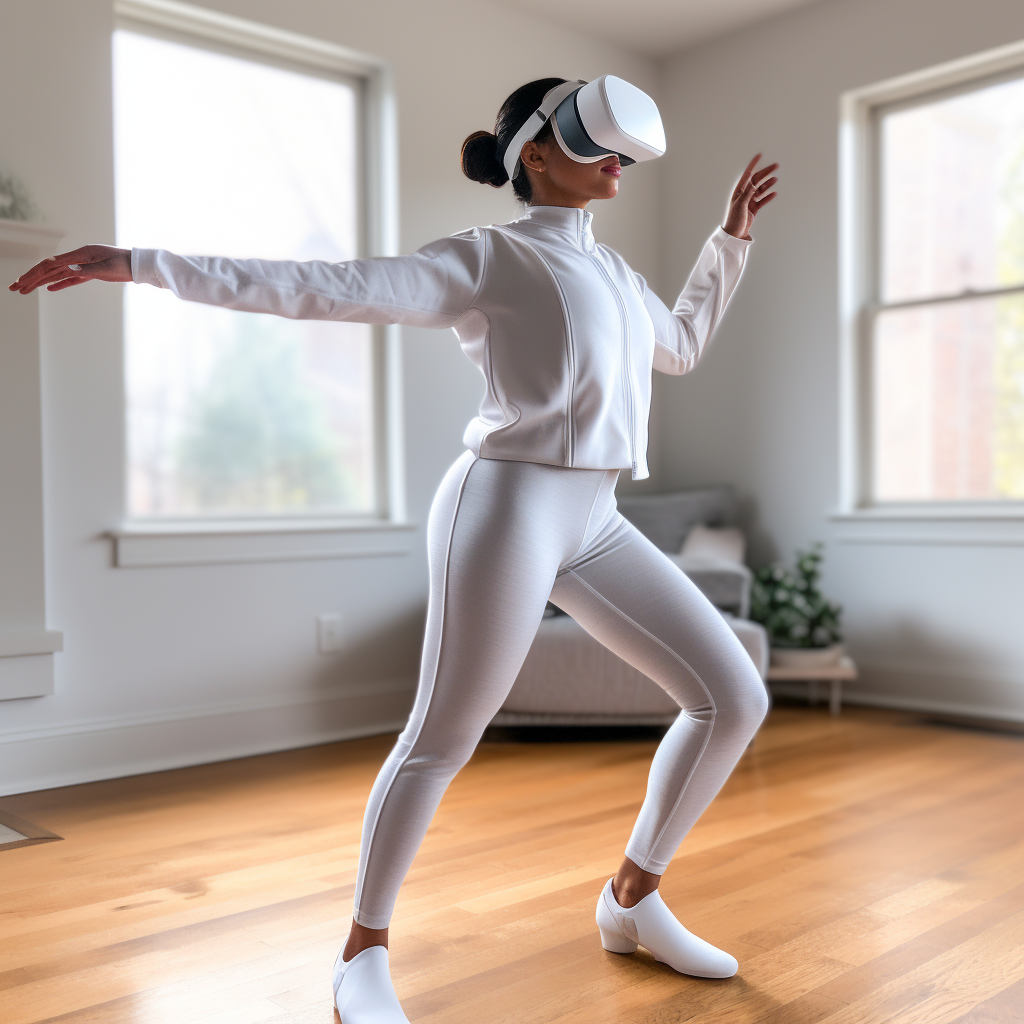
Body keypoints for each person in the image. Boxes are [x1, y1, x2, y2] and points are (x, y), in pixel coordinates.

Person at [11, 76, 777, 1024]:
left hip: (598, 517)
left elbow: (686, 344)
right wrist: (145, 261)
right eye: (592, 142)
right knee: (441, 738)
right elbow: (325, 289)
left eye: (619, 148)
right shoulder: (488, 259)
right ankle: (360, 955)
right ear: (535, 154)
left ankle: (631, 900)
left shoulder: (617, 277)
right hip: (503, 508)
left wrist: (728, 239)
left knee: (733, 695)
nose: (615, 160)